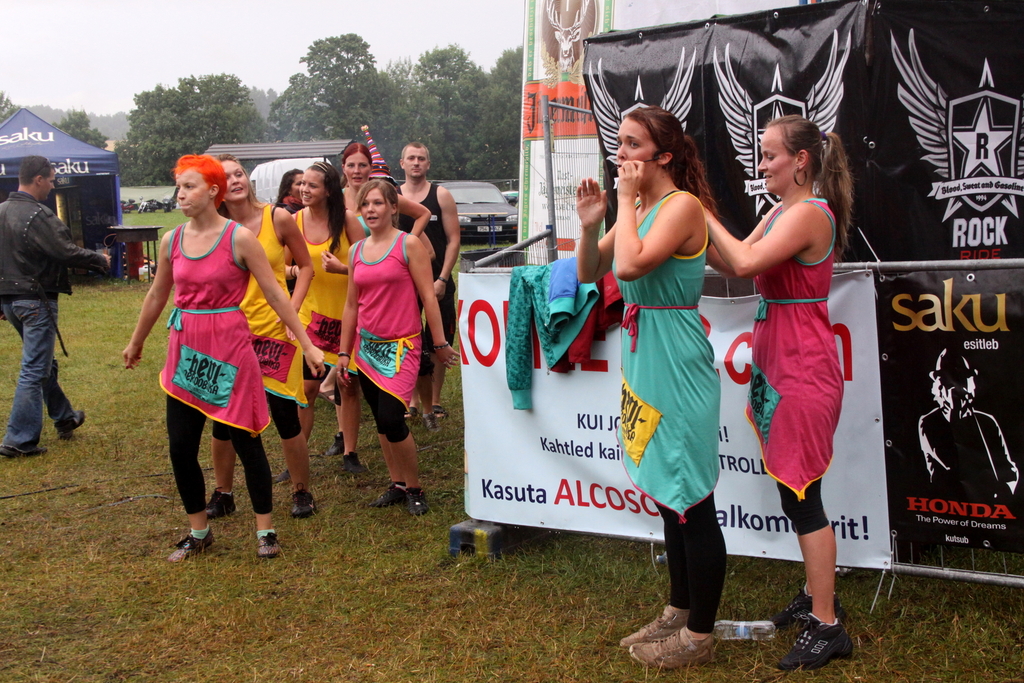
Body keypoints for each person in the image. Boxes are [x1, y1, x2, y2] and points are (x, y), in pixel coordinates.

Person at [575, 106, 725, 669]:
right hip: (646, 358)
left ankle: (699, 636)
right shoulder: (639, 208)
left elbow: (631, 267)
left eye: (632, 144)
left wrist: (623, 203)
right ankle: (679, 609)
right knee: (668, 497)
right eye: (618, 142)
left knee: (692, 500)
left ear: (663, 155)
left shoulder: (681, 206)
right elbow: (589, 271)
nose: (621, 154)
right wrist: (591, 225)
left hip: (677, 360)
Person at [706, 114, 854, 670]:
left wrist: (697, 210)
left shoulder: (810, 214)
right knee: (796, 491)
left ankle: (827, 625)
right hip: (780, 366)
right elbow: (732, 265)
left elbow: (744, 260)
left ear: (801, 161)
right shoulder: (779, 212)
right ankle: (818, 595)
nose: (761, 164)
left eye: (770, 155)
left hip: (802, 370)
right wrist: (690, 226)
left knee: (803, 495)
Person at [123, 155, 324, 562]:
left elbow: (275, 293)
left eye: (190, 187)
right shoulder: (172, 240)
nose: (181, 195)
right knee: (181, 446)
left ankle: (265, 530)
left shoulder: (240, 238)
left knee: (245, 439)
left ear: (212, 191)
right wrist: (136, 341)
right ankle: (199, 531)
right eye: (179, 187)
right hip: (185, 351)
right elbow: (158, 293)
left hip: (230, 351)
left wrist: (306, 342)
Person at [203, 154, 319, 520]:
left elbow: (306, 266)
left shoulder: (277, 217)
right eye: (227, 177)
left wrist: (293, 310)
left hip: (274, 332)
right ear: (215, 189)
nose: (236, 180)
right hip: (230, 335)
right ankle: (223, 492)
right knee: (223, 418)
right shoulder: (213, 227)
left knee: (285, 415)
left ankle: (301, 490)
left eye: (239, 173)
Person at [338, 179, 458, 516]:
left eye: (378, 203)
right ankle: (397, 484)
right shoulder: (356, 251)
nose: (371, 210)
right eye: (366, 204)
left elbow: (429, 297)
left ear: (393, 207)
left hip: (402, 347)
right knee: (380, 420)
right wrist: (344, 353)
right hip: (366, 348)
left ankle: (415, 488)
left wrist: (439, 343)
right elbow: (351, 305)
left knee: (393, 418)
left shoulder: (409, 244)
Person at [0, 155, 110, 458]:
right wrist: (99, 260)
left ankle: (65, 417)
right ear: (38, 179)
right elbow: (65, 251)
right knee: (35, 369)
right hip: (35, 300)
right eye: (50, 180)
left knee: (43, 363)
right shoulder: (38, 215)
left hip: (10, 301)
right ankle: (18, 440)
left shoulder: (2, 211)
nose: (52, 186)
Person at [292, 160, 368, 474]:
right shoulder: (294, 221)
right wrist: (297, 271)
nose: (304, 189)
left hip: (347, 316)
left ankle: (350, 453)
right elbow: (282, 264)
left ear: (328, 191)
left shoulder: (347, 220)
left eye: (312, 185)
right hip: (311, 318)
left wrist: (342, 269)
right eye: (302, 184)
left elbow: (369, 264)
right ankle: (297, 457)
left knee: (347, 386)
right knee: (307, 390)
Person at [398, 142, 461, 431]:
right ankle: (411, 400)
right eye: (411, 158)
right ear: (402, 163)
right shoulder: (393, 197)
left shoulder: (441, 195)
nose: (416, 163)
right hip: (404, 281)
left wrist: (443, 279)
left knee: (438, 340)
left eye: (421, 158)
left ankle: (434, 401)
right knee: (408, 340)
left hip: (438, 280)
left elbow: (454, 240)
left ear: (428, 163)